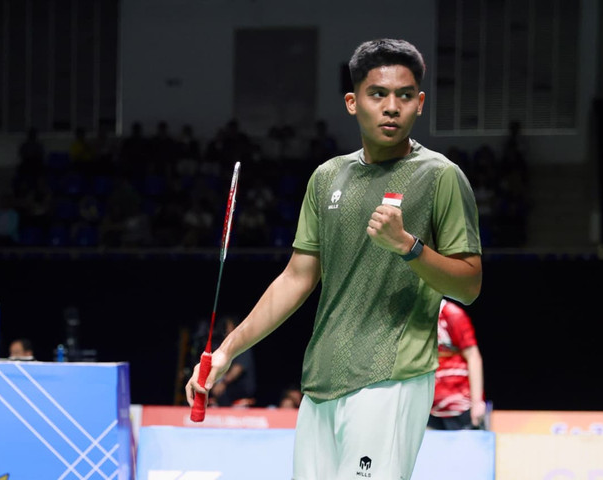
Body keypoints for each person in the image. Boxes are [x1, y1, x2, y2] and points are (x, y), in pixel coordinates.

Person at [186, 38, 483, 480]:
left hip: (391, 378)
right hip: (322, 381)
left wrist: (409, 246)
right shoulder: (327, 178)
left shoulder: (440, 176)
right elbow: (296, 278)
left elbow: (469, 285)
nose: (391, 107)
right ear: (352, 102)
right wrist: (227, 351)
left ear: (419, 103)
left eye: (404, 96)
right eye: (377, 94)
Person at [427, 299, 486, 430]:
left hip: (459, 407)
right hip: (428, 408)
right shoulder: (415, 317)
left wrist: (477, 402)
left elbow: (473, 356)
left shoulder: (452, 314)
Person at [208, 315, 257, 408]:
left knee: (222, 393)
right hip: (227, 386)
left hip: (241, 388)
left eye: (229, 327)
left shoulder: (243, 344)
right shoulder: (223, 347)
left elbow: (237, 370)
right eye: (225, 328)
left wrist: (222, 383)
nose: (226, 331)